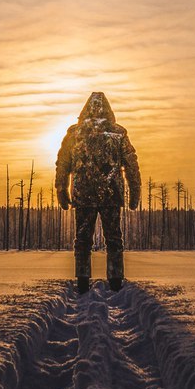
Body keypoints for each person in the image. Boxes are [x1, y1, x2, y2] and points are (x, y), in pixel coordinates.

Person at [55, 92, 142, 293]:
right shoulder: (118, 133)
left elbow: (63, 163)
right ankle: (115, 279)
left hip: (83, 193)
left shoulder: (75, 134)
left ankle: (83, 280)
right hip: (111, 194)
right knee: (114, 238)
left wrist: (61, 188)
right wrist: (134, 190)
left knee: (83, 238)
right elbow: (131, 164)